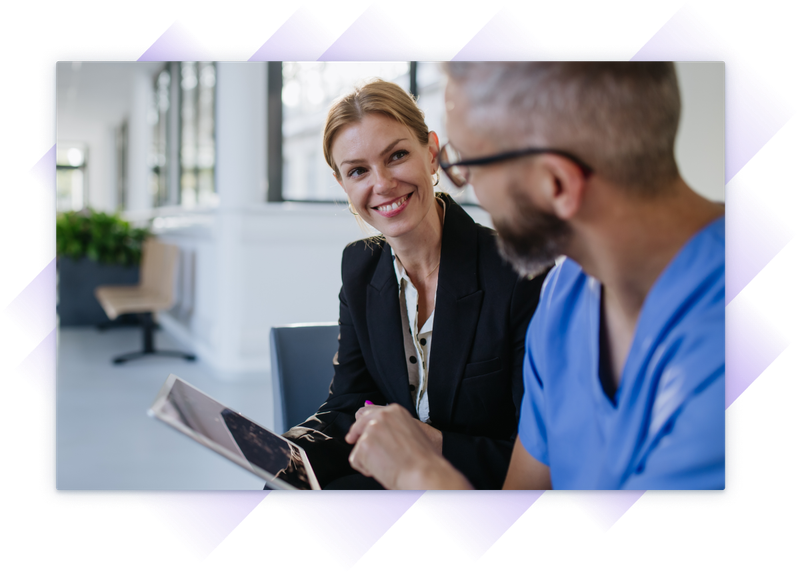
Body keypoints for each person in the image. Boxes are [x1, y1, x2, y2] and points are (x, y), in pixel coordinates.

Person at [346, 62, 726, 491]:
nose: (470, 190)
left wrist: (418, 472)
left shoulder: (726, 345)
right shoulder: (564, 295)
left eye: (467, 164)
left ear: (556, 183)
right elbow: (520, 495)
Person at [281, 79, 548, 490]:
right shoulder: (360, 265)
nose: (383, 183)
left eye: (397, 155)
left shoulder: (517, 271)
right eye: (358, 171)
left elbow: (536, 453)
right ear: (343, 185)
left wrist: (428, 442)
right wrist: (284, 452)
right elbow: (350, 404)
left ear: (431, 153)